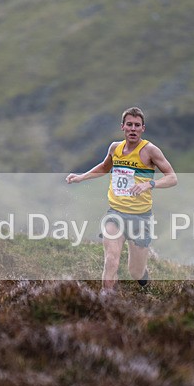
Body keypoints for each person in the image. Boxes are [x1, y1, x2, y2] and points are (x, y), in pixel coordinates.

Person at [66, 106, 177, 290]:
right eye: (129, 125)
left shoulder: (150, 151)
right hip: (115, 213)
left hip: (141, 217)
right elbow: (104, 167)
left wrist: (149, 184)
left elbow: (172, 177)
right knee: (111, 260)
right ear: (123, 127)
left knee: (135, 272)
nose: (133, 129)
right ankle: (106, 301)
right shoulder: (115, 148)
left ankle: (145, 285)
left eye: (137, 125)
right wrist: (81, 177)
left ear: (143, 129)